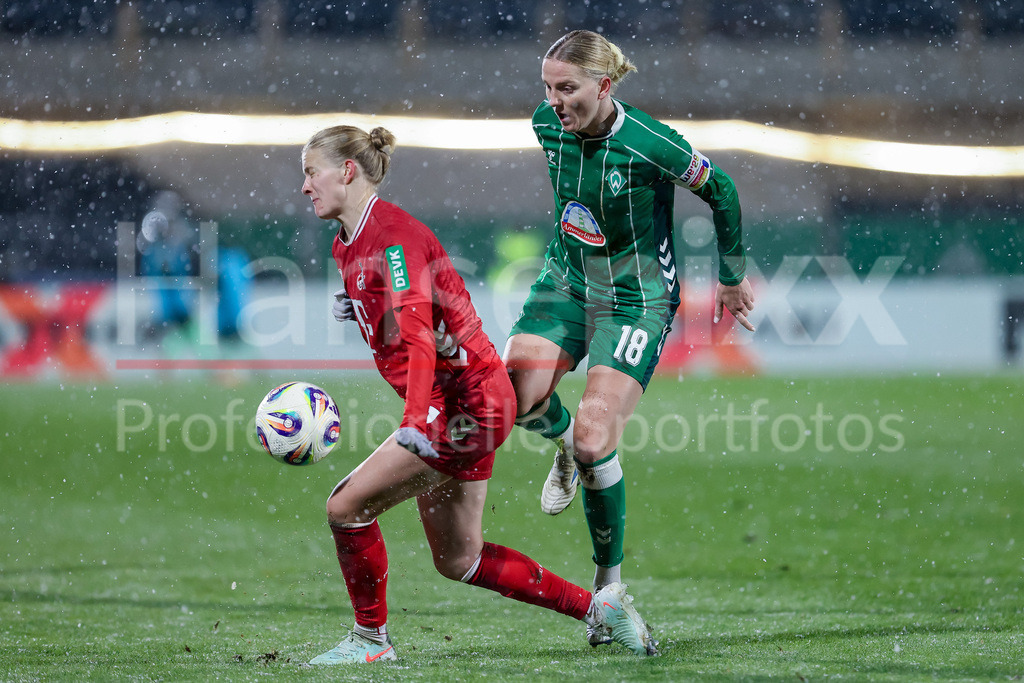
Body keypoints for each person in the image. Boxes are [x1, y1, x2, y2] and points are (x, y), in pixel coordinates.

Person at [299, 124, 657, 664]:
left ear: (346, 171)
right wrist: (359, 304)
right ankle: (599, 609)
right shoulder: (348, 241)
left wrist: (416, 420)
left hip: (466, 408)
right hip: (471, 401)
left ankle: (370, 642)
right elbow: (407, 319)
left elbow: (420, 339)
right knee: (459, 558)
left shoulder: (391, 238)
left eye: (310, 172)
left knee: (346, 507)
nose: (304, 186)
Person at [503, 30, 756, 646]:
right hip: (565, 281)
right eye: (548, 88)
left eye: (567, 88)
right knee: (513, 392)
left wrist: (730, 276)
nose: (554, 100)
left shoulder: (650, 143)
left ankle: (607, 594)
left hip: (635, 299)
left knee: (596, 443)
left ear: (604, 86)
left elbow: (720, 189)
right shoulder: (546, 124)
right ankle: (559, 442)